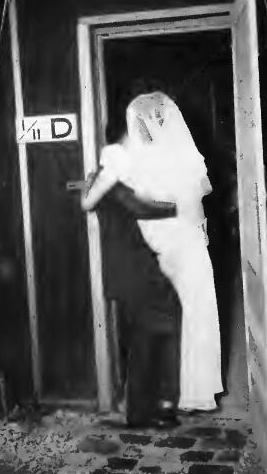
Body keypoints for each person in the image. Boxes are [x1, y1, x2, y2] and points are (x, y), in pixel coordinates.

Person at [91, 91, 223, 412]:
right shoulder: (176, 157)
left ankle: (181, 392)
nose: (140, 126)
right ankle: (187, 391)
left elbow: (138, 203)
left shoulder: (136, 159)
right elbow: (194, 200)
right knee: (188, 315)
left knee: (181, 317)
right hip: (179, 244)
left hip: (167, 246)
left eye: (141, 120)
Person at [81, 177, 182, 428]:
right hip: (135, 274)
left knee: (147, 334)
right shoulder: (112, 179)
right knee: (151, 333)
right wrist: (178, 206)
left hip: (131, 273)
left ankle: (151, 408)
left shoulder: (108, 181)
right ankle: (154, 407)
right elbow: (139, 207)